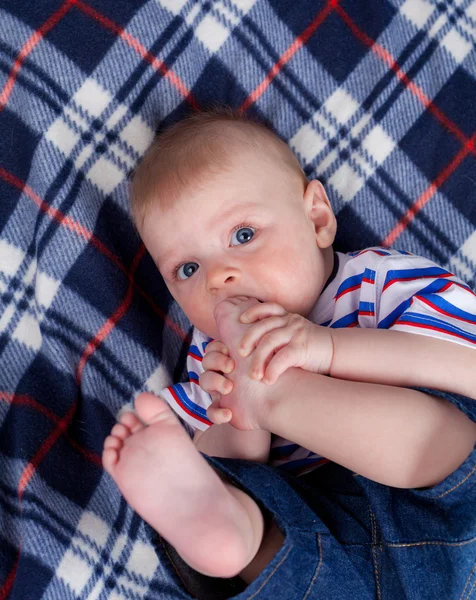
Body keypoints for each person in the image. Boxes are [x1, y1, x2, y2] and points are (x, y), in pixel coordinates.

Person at [102, 107, 476, 595]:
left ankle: (276, 405)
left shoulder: (377, 284)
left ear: (317, 218)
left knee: (447, 438)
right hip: (348, 555)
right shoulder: (214, 359)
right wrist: (236, 412)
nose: (219, 278)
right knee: (266, 525)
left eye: (243, 235)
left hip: (448, 496)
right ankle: (239, 539)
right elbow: (238, 470)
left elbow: (464, 368)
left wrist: (328, 350)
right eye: (188, 270)